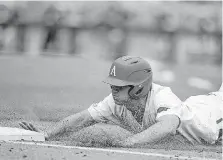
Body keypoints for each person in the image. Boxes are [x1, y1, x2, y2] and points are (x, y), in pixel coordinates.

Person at [19, 56, 222, 147]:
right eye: (112, 85)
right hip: (200, 108)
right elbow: (83, 119)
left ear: (139, 87)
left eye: (119, 86)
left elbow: (167, 127)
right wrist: (47, 134)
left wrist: (128, 142)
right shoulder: (114, 102)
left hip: (214, 116)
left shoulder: (162, 96)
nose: (113, 89)